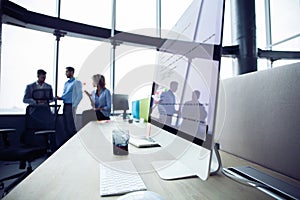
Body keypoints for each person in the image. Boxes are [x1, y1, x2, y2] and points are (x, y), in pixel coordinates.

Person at [56, 66, 83, 139]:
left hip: (71, 105)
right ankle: (68, 142)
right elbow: (66, 95)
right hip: (65, 105)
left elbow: (80, 95)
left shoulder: (77, 82)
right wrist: (60, 98)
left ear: (72, 72)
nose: (66, 73)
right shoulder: (66, 83)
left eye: (67, 72)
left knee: (71, 125)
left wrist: (74, 106)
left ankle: (74, 142)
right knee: (66, 125)